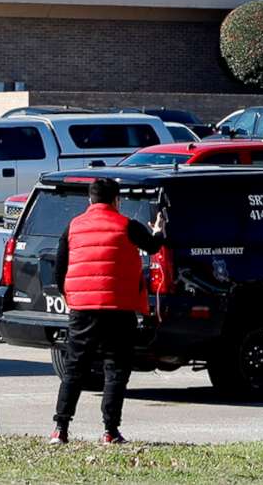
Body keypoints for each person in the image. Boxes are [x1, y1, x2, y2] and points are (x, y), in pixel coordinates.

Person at [48, 178, 161, 446]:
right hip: (119, 308)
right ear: (116, 200)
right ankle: (110, 431)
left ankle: (60, 428)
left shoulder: (73, 226)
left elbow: (59, 267)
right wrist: (158, 230)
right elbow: (154, 247)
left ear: (90, 200)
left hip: (82, 309)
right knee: (116, 368)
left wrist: (72, 296)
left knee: (75, 368)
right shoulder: (126, 225)